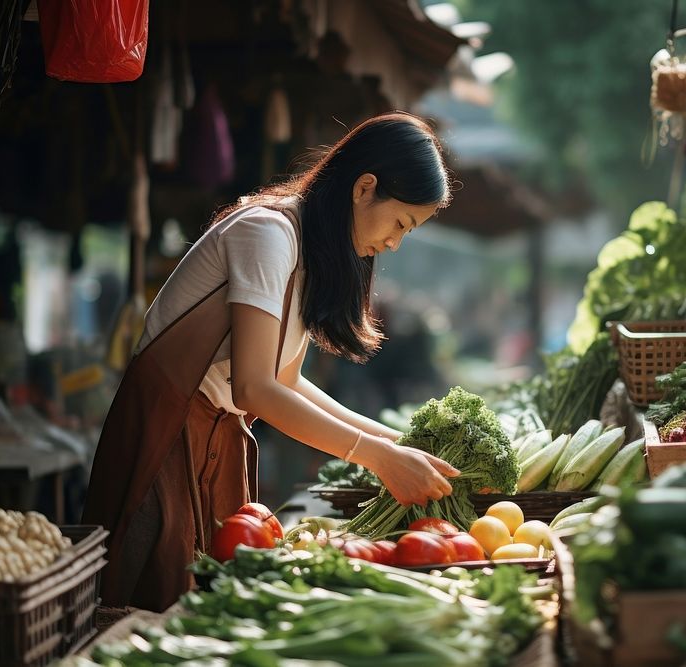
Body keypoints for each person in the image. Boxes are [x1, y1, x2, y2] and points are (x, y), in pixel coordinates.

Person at [82, 112, 460, 611]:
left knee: (207, 617)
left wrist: (399, 443)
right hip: (165, 438)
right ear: (364, 187)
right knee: (149, 616)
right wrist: (378, 456)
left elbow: (287, 381)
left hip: (212, 441)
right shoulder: (268, 234)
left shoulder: (303, 246)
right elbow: (255, 390)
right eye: (400, 223)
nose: (394, 242)